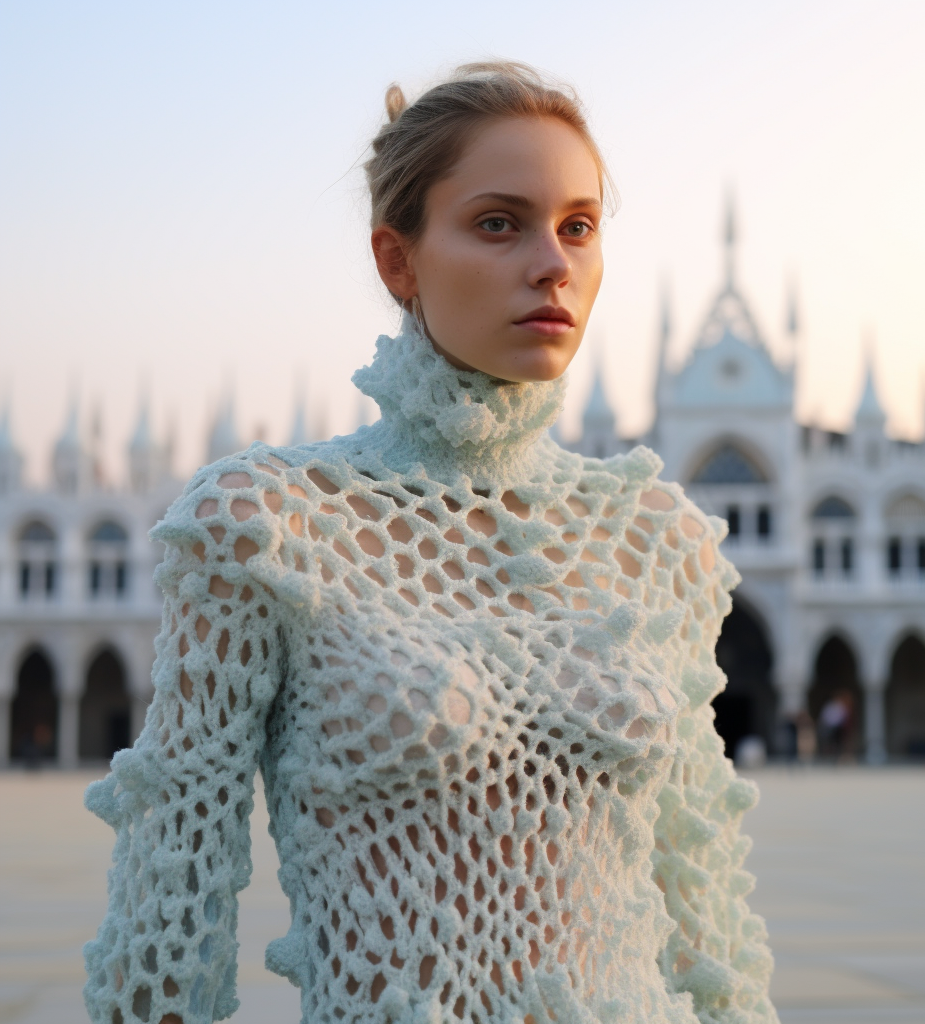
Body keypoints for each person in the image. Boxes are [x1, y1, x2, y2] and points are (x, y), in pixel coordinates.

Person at [83, 62, 777, 1024]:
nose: (553, 263)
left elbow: (712, 930)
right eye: (500, 223)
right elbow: (170, 903)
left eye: (578, 226)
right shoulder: (267, 522)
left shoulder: (654, 538)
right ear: (397, 262)